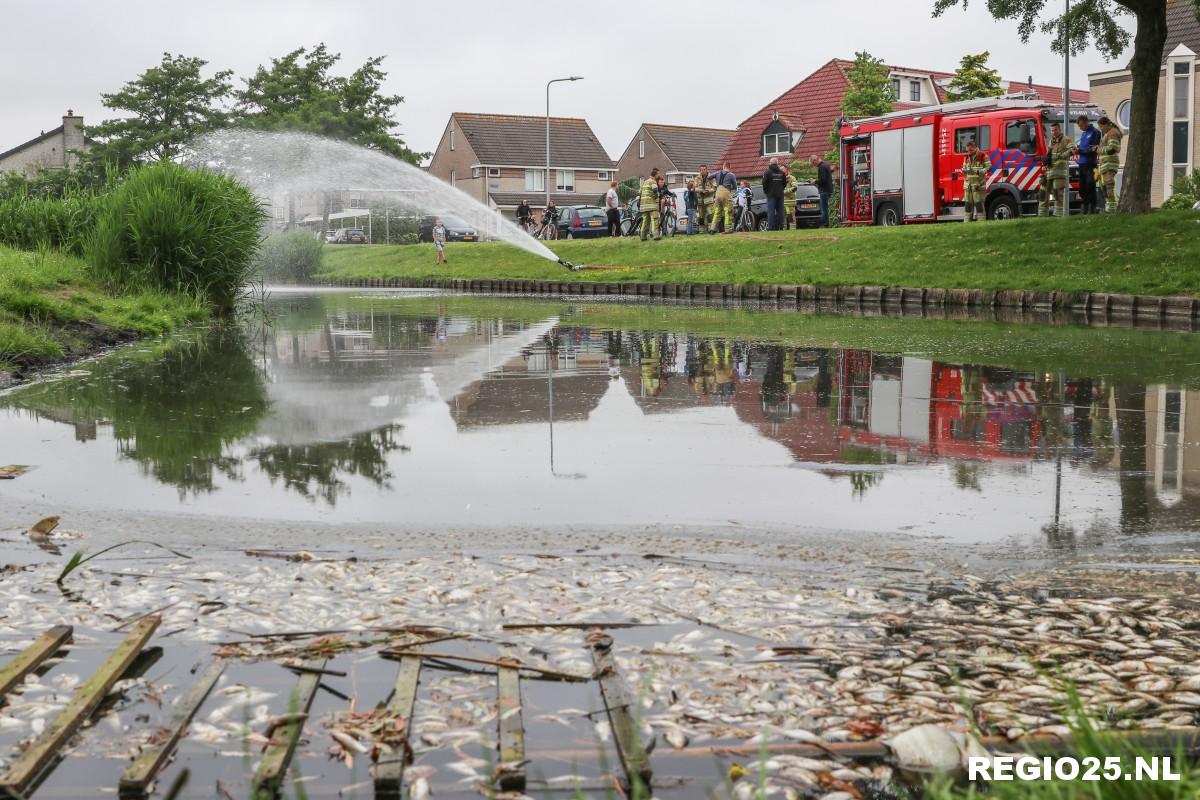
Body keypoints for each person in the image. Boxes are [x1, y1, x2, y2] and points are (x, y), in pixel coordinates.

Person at [1041, 122, 1075, 217]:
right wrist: (1046, 161)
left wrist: (1061, 156)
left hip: (1059, 173)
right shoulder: (1051, 141)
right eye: (1052, 130)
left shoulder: (1066, 139)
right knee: (1043, 194)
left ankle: (1058, 215)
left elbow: (1074, 150)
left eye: (1055, 130)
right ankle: (1042, 215)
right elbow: (1049, 155)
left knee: (1058, 195)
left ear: (1060, 130)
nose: (1054, 132)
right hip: (1049, 172)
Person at [1076, 115, 1101, 214]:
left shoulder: (1095, 132)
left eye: (1081, 125)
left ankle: (1092, 208)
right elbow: (1082, 147)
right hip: (1082, 164)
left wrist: (1080, 151)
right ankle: (1084, 207)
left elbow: (1093, 149)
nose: (1080, 128)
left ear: (1086, 122)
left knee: (1090, 185)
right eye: (1079, 126)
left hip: (1091, 164)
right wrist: (1076, 149)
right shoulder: (1083, 134)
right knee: (1082, 188)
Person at [1097, 116, 1122, 213]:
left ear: (1107, 125)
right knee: (1104, 185)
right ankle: (1110, 205)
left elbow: (1112, 149)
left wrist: (1098, 150)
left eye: (1102, 127)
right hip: (1105, 163)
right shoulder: (1109, 133)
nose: (1101, 129)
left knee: (1109, 185)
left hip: (1110, 163)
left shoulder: (1112, 133)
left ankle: (1113, 207)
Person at [961, 140, 990, 222]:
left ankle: (981, 221)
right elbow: (964, 167)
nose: (969, 152)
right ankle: (967, 222)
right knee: (967, 204)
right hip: (968, 185)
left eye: (970, 150)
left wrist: (979, 171)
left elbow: (989, 167)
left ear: (974, 148)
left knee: (979, 203)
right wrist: (964, 170)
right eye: (967, 150)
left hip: (978, 185)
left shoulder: (983, 155)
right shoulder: (966, 157)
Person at [708, 161, 737, 233]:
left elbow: (708, 177)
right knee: (727, 211)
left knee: (717, 211)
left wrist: (713, 185)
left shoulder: (717, 173)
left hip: (717, 193)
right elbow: (735, 186)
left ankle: (712, 229)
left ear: (723, 166)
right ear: (729, 167)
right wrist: (731, 193)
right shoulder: (731, 175)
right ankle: (728, 229)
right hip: (726, 193)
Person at [761, 157, 787, 231]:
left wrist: (766, 191)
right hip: (780, 194)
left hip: (771, 194)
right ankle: (781, 226)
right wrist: (781, 189)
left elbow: (764, 183)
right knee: (780, 211)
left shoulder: (767, 172)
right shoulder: (781, 173)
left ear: (770, 163)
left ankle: (771, 227)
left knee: (771, 211)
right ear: (777, 163)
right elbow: (784, 183)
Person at [811, 154, 834, 228]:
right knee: (825, 208)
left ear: (815, 160)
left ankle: (824, 224)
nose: (814, 165)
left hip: (824, 190)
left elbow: (822, 180)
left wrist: (815, 182)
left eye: (813, 163)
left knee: (824, 208)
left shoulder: (821, 167)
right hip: (828, 189)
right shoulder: (826, 165)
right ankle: (825, 224)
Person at [639, 167, 661, 240]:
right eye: (658, 174)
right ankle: (656, 236)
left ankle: (643, 236)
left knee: (645, 221)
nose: (659, 176)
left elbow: (640, 192)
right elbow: (655, 190)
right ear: (655, 175)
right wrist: (657, 196)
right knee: (654, 220)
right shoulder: (653, 181)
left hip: (644, 206)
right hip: (651, 205)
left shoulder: (645, 182)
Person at [694, 165, 714, 234]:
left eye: (704, 169)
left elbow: (715, 188)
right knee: (701, 215)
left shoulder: (711, 178)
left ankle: (710, 229)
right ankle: (702, 230)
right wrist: (701, 190)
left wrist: (708, 191)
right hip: (700, 200)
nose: (702, 171)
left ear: (706, 170)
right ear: (699, 171)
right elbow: (695, 188)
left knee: (710, 214)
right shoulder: (697, 178)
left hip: (709, 200)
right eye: (701, 170)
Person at [782, 165, 797, 229]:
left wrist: (785, 192)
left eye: (783, 169)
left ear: (787, 170)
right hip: (782, 200)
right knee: (783, 215)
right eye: (780, 170)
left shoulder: (792, 178)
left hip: (790, 199)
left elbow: (795, 188)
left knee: (791, 214)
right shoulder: (780, 178)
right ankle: (784, 229)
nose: (781, 171)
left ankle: (793, 228)